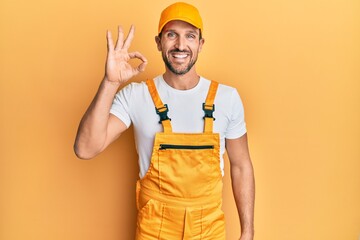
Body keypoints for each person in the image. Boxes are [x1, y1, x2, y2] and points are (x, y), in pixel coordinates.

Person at [74, 2, 255, 239]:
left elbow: (241, 166)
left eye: (190, 36)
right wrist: (110, 83)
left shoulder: (227, 98)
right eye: (171, 35)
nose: (181, 45)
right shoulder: (135, 95)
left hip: (209, 231)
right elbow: (85, 148)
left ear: (200, 44)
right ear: (159, 42)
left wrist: (248, 231)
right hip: (154, 230)